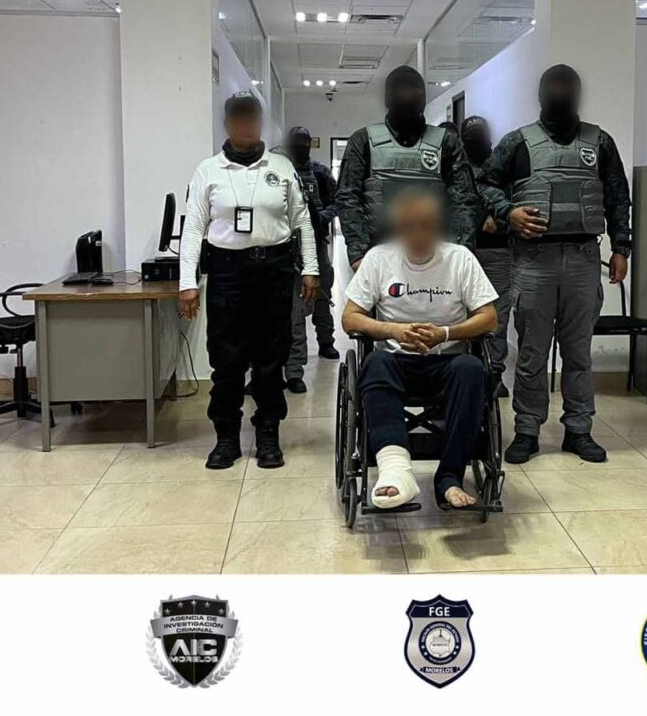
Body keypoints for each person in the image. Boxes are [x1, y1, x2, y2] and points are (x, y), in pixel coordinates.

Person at [479, 65, 632, 465]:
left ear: (579, 92)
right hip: (533, 261)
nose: (561, 93)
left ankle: (579, 430)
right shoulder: (518, 142)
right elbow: (485, 184)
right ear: (541, 92)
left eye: (568, 87)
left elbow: (618, 196)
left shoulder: (600, 142)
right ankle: (527, 430)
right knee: (532, 352)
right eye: (555, 86)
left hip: (583, 259)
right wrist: (508, 212)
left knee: (578, 352)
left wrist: (622, 247)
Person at [178, 91, 319, 470]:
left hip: (274, 270)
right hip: (227, 272)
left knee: (271, 358)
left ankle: (268, 433)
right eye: (238, 118)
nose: (246, 125)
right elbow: (193, 230)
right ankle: (226, 437)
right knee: (226, 359)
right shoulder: (208, 170)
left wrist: (311, 268)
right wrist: (186, 282)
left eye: (251, 118)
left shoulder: (281, 166)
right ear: (226, 123)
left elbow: (302, 221)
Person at [341, 188, 498, 510]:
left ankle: (450, 479)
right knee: (375, 363)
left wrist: (445, 333)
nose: (417, 233)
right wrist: (394, 330)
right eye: (408, 226)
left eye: (425, 225)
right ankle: (396, 471)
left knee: (471, 368)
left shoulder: (460, 258)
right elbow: (350, 318)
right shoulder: (379, 258)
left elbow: (489, 317)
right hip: (396, 360)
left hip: (448, 361)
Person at [335, 66, 477, 270]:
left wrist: (460, 253)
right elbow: (348, 197)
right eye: (400, 92)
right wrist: (358, 254)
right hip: (377, 256)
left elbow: (464, 201)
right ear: (388, 97)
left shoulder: (447, 143)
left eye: (413, 92)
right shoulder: (363, 140)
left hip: (436, 257)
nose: (407, 97)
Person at [282, 126, 340, 395]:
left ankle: (326, 341)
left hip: (316, 246)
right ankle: (294, 368)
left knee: (322, 297)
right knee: (294, 311)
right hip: (287, 249)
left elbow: (337, 201)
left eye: (304, 142)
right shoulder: (282, 172)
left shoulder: (320, 172)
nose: (300, 147)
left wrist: (322, 217)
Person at [461, 115, 512, 398]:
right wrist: (482, 216)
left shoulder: (502, 163)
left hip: (498, 250)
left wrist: (500, 219)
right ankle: (466, 370)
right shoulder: (455, 165)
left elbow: (515, 198)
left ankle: (494, 373)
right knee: (461, 312)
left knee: (498, 316)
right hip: (463, 250)